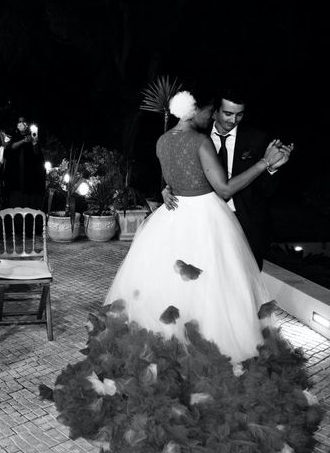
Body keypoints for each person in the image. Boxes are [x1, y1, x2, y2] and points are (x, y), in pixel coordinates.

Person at [104, 88, 292, 364]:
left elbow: (173, 174)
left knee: (174, 287)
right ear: (200, 110)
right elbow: (224, 190)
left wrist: (170, 189)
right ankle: (216, 348)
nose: (216, 117)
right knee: (214, 288)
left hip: (173, 220)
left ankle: (173, 347)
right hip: (207, 219)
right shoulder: (201, 141)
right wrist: (265, 162)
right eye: (214, 111)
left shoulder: (162, 140)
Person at [163, 88, 283, 270]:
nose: (232, 120)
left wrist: (273, 167)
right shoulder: (198, 137)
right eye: (227, 113)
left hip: (245, 225)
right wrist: (167, 188)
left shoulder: (256, 139)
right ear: (215, 112)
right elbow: (182, 171)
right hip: (204, 224)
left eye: (239, 115)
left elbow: (267, 190)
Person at [4, 117, 45, 209]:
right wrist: (23, 141)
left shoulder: (33, 136)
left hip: (30, 176)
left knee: (30, 200)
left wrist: (34, 143)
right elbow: (11, 148)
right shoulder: (15, 136)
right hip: (16, 176)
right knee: (17, 201)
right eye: (20, 122)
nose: (22, 123)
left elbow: (38, 155)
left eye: (24, 121)